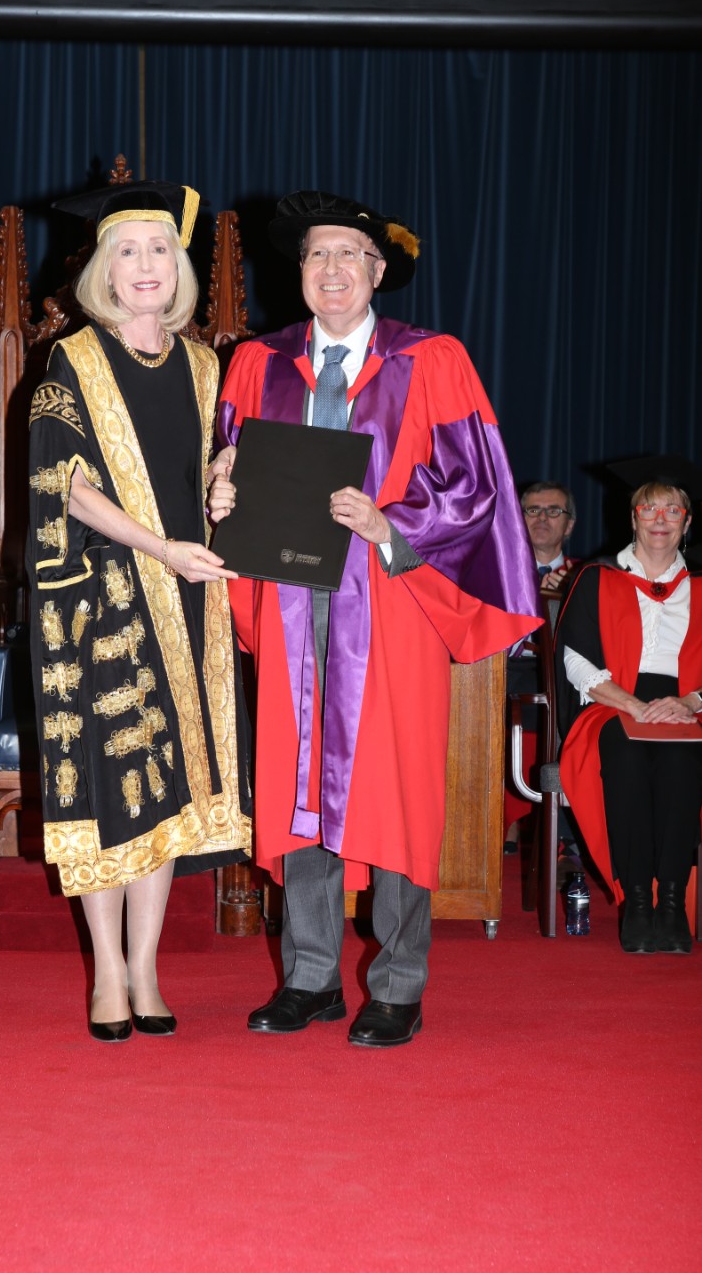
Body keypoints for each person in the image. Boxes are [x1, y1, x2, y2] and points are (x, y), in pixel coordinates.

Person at [209, 190, 541, 1046]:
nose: (330, 272)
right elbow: (229, 470)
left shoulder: (431, 360)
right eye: (316, 257)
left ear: (377, 271)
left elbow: (474, 489)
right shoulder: (256, 362)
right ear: (298, 273)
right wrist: (216, 493)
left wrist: (390, 523)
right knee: (297, 792)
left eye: (347, 257)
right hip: (288, 609)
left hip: (388, 608)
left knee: (394, 792)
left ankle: (397, 984)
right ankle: (311, 977)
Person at [26, 180, 252, 1042]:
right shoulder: (72, 361)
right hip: (104, 602)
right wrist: (161, 548)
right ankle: (106, 974)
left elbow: (202, 480)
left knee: (161, 791)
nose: (145, 266)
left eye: (159, 249)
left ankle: (148, 968)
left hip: (190, 599)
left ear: (179, 266)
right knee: (111, 780)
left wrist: (226, 491)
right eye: (127, 251)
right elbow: (66, 487)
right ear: (102, 272)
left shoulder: (204, 365)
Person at [556, 456, 702, 954]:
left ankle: (673, 904)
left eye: (672, 510)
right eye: (648, 508)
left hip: (689, 710)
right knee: (625, 751)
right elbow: (576, 662)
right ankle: (637, 902)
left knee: (684, 758)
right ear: (633, 517)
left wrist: (687, 702)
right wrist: (634, 707)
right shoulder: (597, 579)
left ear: (687, 521)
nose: (660, 519)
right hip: (614, 704)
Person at [505, 480, 579, 855]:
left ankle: (566, 833)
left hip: (560, 682)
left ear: (569, 525)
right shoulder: (494, 573)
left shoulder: (586, 576)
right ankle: (502, 823)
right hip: (505, 676)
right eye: (532, 510)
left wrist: (568, 596)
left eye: (554, 511)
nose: (542, 518)